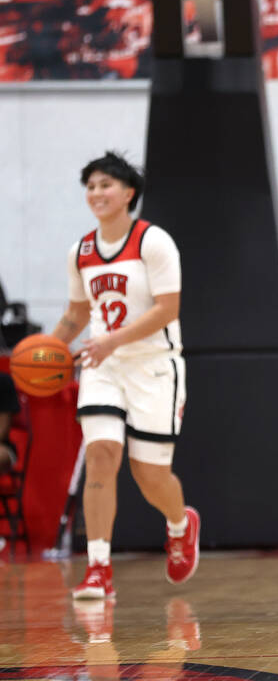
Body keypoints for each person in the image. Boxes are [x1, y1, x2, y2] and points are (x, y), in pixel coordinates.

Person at [49, 151, 200, 600]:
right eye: (90, 186)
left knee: (149, 476)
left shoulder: (154, 242)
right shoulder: (81, 250)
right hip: (104, 365)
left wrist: (113, 340)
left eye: (105, 185)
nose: (96, 193)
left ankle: (179, 524)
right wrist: (51, 350)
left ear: (128, 192)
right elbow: (77, 314)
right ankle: (98, 569)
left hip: (155, 365)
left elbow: (167, 309)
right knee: (100, 454)